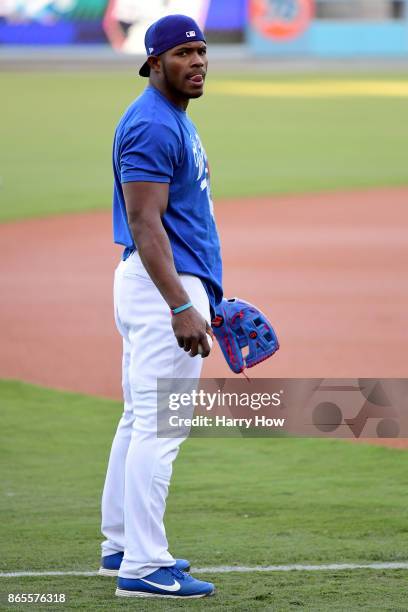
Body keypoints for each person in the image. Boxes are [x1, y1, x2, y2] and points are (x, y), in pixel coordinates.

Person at [99, 14, 223, 599]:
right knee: (158, 424)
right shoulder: (152, 123)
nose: (196, 62)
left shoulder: (168, 117)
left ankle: (121, 544)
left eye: (200, 51)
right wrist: (181, 304)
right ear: (152, 63)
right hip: (160, 290)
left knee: (137, 419)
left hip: (159, 285)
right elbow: (146, 223)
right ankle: (144, 568)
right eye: (181, 54)